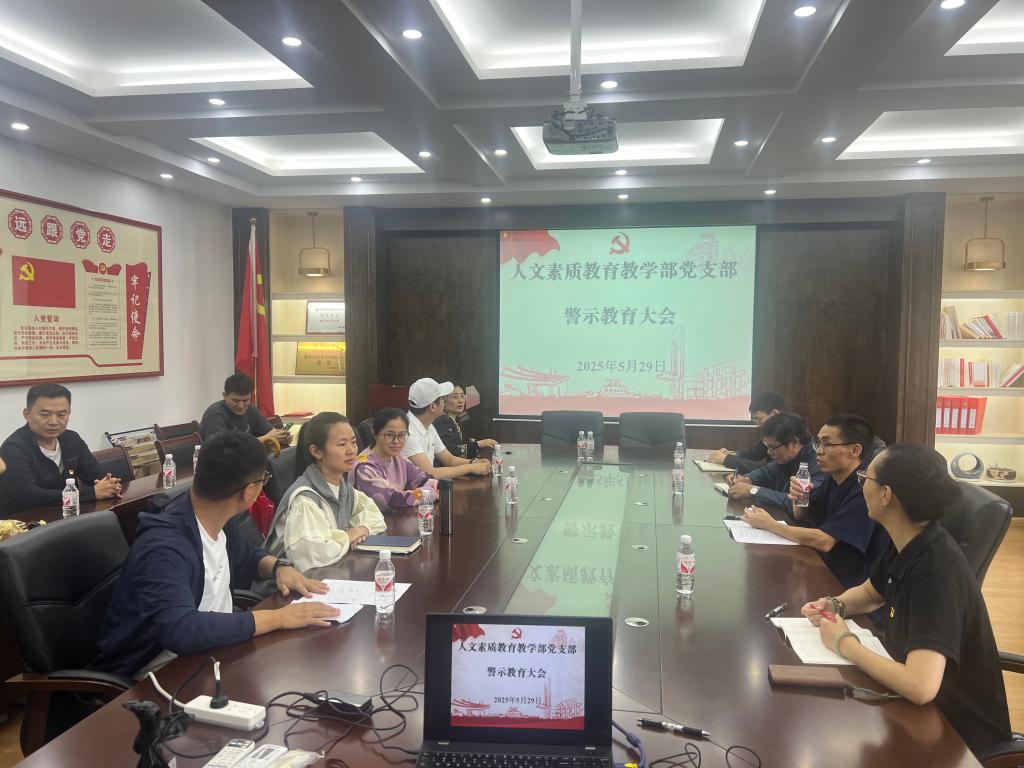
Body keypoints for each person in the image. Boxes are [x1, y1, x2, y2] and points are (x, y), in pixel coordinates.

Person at [800, 444, 1011, 758]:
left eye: (865, 479)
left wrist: (843, 642)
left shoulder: (935, 572)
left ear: (886, 495)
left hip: (956, 738)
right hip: (913, 710)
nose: (861, 485)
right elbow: (871, 594)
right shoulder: (908, 539)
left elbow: (920, 686)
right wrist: (835, 604)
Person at [93, 432, 338, 678]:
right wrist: (278, 618)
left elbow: (247, 556)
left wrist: (278, 568)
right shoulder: (163, 546)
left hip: (218, 650)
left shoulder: (216, 514)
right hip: (161, 671)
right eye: (263, 480)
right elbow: (180, 629)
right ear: (249, 492)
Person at [742, 413, 887, 588]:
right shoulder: (832, 480)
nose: (818, 451)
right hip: (822, 565)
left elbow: (824, 541)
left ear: (854, 451)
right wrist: (799, 497)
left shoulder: (864, 488)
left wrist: (770, 524)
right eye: (818, 443)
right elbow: (803, 516)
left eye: (827, 444)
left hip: (846, 582)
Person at [265, 412, 386, 572]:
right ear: (316, 452)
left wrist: (362, 529)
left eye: (353, 442)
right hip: (294, 581)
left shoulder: (342, 487)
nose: (352, 450)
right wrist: (348, 536)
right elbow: (311, 555)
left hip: (332, 572)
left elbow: (374, 515)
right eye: (342, 444)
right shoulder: (305, 498)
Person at [0, 383, 121, 514]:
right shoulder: (13, 449)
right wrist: (91, 493)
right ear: (27, 414)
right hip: (23, 521)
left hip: (68, 514)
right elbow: (29, 496)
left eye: (61, 414)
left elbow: (95, 475)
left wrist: (110, 486)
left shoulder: (72, 439)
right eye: (45, 414)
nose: (53, 421)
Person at [726, 411, 823, 509]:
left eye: (772, 447)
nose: (769, 452)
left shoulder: (819, 464)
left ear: (794, 442)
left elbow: (802, 503)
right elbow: (766, 472)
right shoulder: (787, 458)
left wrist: (754, 490)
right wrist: (748, 479)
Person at [401, 378, 491, 480]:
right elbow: (430, 473)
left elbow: (449, 459)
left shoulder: (430, 427)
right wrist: (471, 468)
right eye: (443, 399)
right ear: (433, 407)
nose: (444, 402)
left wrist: (474, 462)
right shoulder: (407, 432)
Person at [351, 408, 438, 510]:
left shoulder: (399, 459)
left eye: (402, 435)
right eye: (389, 435)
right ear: (374, 433)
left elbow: (423, 479)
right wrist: (428, 493)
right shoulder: (363, 466)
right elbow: (392, 500)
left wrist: (435, 486)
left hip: (396, 518)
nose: (396, 441)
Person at [199, 373, 291, 447]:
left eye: (245, 400)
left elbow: (270, 433)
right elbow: (222, 450)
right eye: (235, 400)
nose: (241, 406)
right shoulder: (215, 415)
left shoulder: (251, 409)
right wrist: (265, 438)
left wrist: (281, 437)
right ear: (225, 396)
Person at [707, 392, 785, 473]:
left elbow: (771, 471)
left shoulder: (787, 435)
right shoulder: (773, 434)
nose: (757, 425)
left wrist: (727, 459)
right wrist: (733, 454)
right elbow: (756, 452)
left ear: (775, 414)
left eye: (759, 419)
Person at [433, 384, 497, 460]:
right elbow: (451, 452)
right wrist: (479, 444)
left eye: (463, 396)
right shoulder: (442, 421)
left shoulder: (456, 420)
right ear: (444, 400)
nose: (461, 401)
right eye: (455, 397)